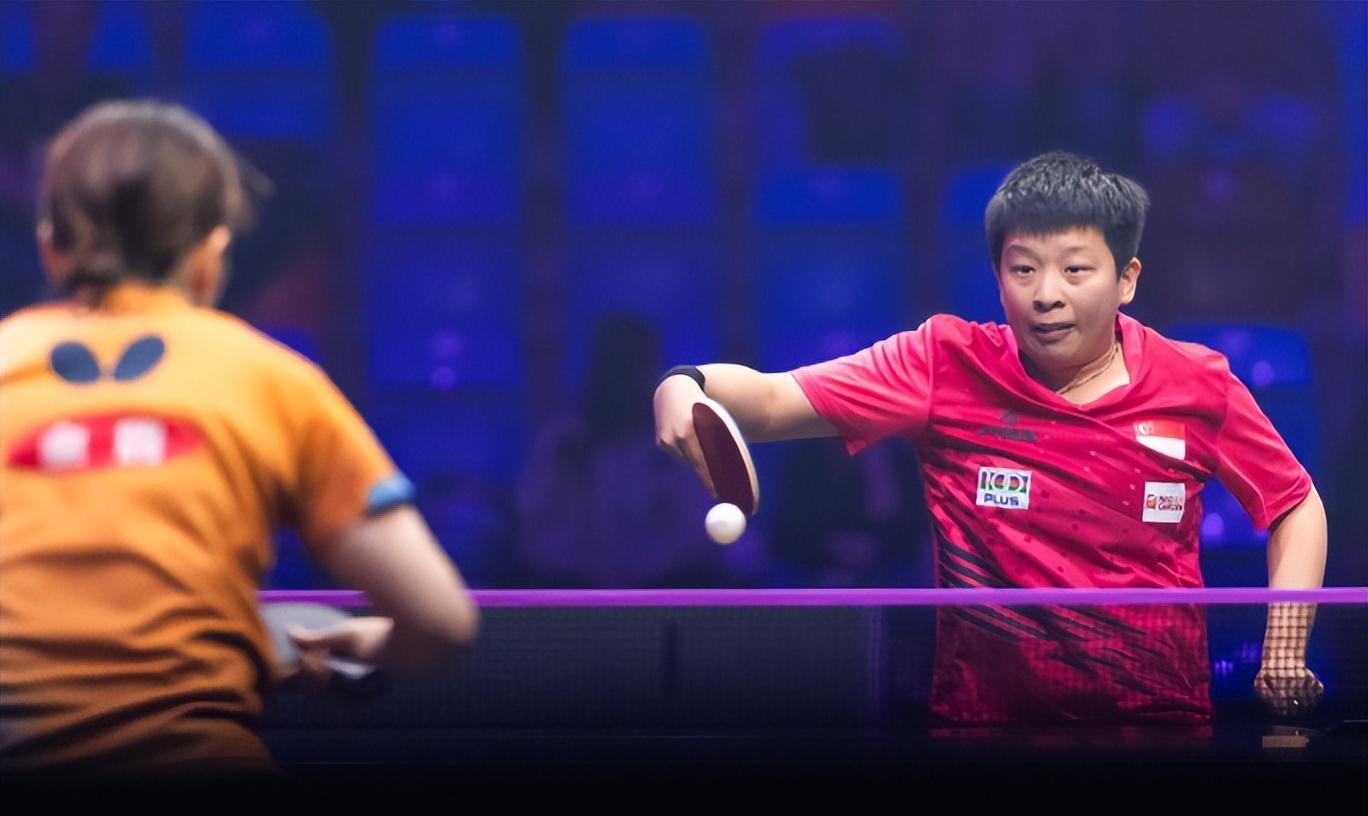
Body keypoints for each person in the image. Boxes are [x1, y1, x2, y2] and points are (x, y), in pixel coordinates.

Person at [655, 152, 1326, 724]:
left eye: (1075, 270)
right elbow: (772, 401)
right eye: (1022, 269)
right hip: (985, 734)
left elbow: (1295, 503)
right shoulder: (944, 365)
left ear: (1127, 280)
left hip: (1158, 731)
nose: (1046, 295)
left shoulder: (1196, 384)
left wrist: (1285, 648)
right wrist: (683, 384)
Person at [0, 101, 478, 775]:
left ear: (51, 246)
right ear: (211, 256)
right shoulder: (272, 380)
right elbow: (442, 624)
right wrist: (364, 642)